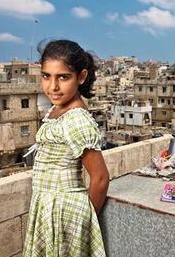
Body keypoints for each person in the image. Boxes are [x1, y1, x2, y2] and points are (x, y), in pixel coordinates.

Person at [23, 39, 109, 257]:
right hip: (47, 206)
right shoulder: (57, 110)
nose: (53, 86)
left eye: (63, 77)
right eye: (46, 76)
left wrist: (83, 218)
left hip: (66, 211)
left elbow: (100, 178)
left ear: (81, 77)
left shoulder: (76, 119)